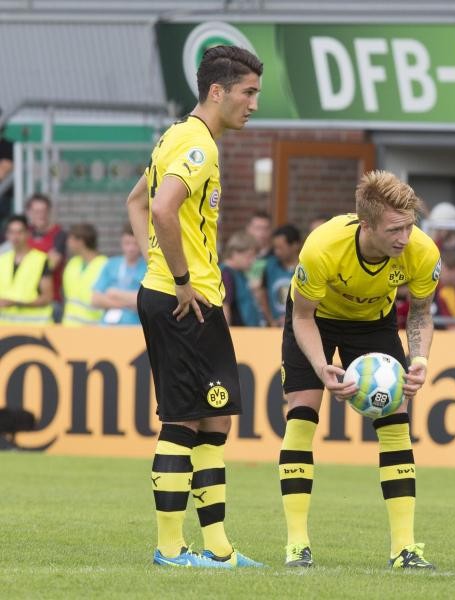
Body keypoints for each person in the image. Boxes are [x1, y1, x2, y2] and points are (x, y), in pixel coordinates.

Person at [126, 45, 264, 569]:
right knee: (183, 421)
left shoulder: (179, 137)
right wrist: (177, 278)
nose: (253, 104)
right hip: (185, 300)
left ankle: (220, 550)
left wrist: (155, 260)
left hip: (192, 298)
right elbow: (160, 207)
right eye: (247, 93)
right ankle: (168, 549)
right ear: (217, 91)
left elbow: (135, 202)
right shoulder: (196, 146)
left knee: (215, 419)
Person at [279, 170, 440, 570]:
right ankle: (297, 544)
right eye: (394, 229)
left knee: (397, 421)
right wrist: (321, 366)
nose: (405, 238)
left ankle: (404, 549)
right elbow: (302, 318)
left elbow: (420, 312)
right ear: (365, 225)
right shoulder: (322, 248)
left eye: (410, 226)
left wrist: (418, 359)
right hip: (316, 320)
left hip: (374, 322)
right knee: (302, 413)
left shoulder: (422, 252)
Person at [0, 215, 53, 325]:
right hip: (5, 328)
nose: (15, 237)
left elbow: (47, 298)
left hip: (32, 326)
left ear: (28, 234)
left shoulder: (40, 260)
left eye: (19, 232)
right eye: (12, 232)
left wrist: (16, 303)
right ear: (7, 235)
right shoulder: (2, 260)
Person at [91, 224, 147, 325]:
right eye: (127, 243)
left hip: (135, 327)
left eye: (135, 244)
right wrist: (129, 303)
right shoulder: (111, 264)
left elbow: (145, 302)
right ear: (121, 243)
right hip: (108, 326)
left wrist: (115, 294)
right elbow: (95, 299)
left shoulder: (148, 267)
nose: (131, 248)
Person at [25, 194, 67, 319]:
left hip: (51, 299)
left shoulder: (59, 234)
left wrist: (27, 262)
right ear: (29, 212)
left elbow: (52, 265)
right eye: (36, 211)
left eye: (44, 211)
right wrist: (44, 257)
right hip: (25, 297)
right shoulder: (24, 233)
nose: (41, 215)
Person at [61, 223, 108, 326]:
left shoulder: (104, 265)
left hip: (93, 327)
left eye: (71, 239)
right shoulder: (72, 263)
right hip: (69, 326)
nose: (68, 243)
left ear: (81, 242)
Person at [220, 231, 263, 326]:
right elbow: (225, 307)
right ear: (235, 253)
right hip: (238, 333)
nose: (253, 260)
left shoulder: (239, 273)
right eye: (250, 256)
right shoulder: (226, 274)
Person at [262, 223, 301, 327]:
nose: (276, 252)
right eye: (275, 248)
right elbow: (263, 295)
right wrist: (271, 321)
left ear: (295, 245)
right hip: (274, 327)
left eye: (281, 248)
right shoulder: (270, 266)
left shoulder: (305, 268)